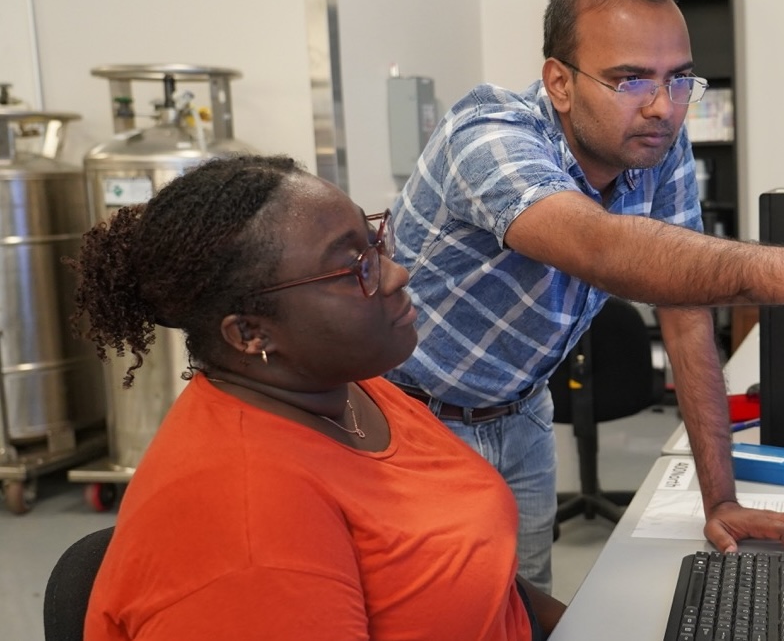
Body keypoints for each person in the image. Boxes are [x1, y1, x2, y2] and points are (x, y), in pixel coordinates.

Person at [385, 0, 784, 593]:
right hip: (411, 419)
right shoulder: (489, 134)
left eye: (679, 79)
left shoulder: (657, 143)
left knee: (524, 603)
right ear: (559, 83)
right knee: (445, 612)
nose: (662, 105)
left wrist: (722, 503)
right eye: (630, 79)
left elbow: (686, 310)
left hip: (522, 413)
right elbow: (597, 245)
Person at [71, 155, 565, 641]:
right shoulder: (245, 527)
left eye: (376, 244)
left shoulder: (344, 388)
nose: (396, 275)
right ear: (250, 332)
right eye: (354, 268)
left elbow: (490, 584)